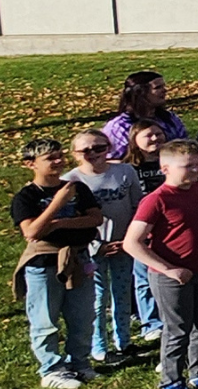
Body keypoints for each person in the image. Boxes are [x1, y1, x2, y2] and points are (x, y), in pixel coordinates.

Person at [125, 138, 198, 389]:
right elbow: (132, 243)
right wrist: (168, 269)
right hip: (171, 274)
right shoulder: (157, 199)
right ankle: (171, 379)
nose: (195, 171)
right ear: (166, 168)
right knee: (178, 329)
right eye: (188, 166)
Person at [12, 138, 102, 389]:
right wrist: (58, 205)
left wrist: (61, 223)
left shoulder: (77, 188)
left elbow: (94, 219)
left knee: (83, 316)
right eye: (50, 158)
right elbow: (32, 232)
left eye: (60, 156)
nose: (59, 161)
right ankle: (51, 369)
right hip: (43, 263)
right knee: (45, 319)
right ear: (30, 164)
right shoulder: (26, 197)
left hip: (78, 258)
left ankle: (80, 363)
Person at [59, 130, 146, 365]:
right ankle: (99, 347)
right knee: (98, 297)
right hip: (91, 249)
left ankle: (124, 341)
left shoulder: (125, 171)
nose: (94, 153)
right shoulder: (70, 180)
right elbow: (73, 218)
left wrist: (129, 239)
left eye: (99, 147)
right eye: (86, 150)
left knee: (123, 293)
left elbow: (138, 205)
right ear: (75, 154)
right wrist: (97, 245)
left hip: (124, 243)